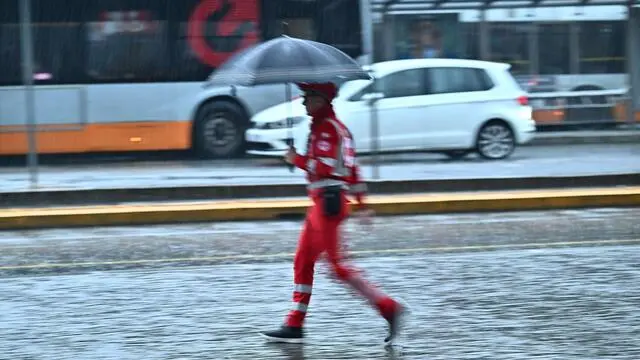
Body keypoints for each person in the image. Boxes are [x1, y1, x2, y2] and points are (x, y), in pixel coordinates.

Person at [260, 82, 407, 344]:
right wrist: (361, 204)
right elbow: (353, 170)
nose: (304, 103)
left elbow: (324, 167)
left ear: (322, 100)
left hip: (328, 204)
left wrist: (298, 160)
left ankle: (389, 307)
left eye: (308, 98)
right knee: (303, 261)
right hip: (323, 203)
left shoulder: (328, 128)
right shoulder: (328, 127)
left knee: (338, 266)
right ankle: (294, 323)